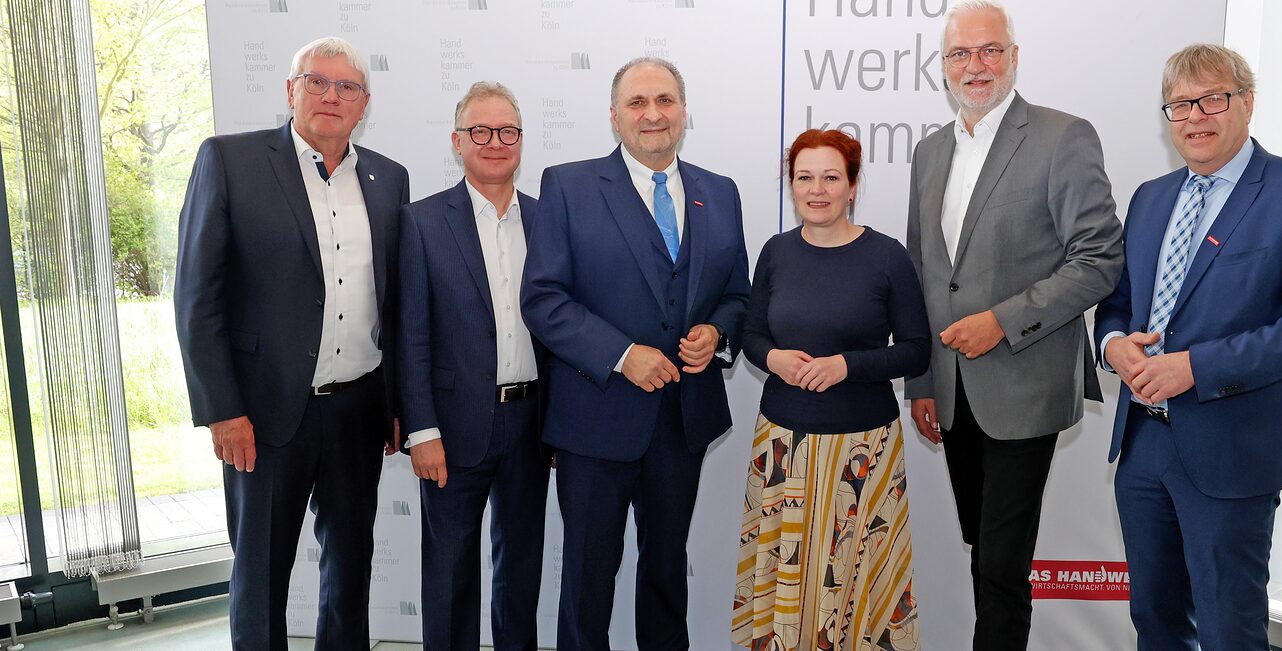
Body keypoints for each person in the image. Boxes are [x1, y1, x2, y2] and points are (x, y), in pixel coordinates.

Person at [1095, 43, 1282, 649]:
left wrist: (1196, 367)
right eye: (1180, 104)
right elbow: (1116, 307)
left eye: (1212, 98)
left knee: (1227, 629)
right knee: (1155, 621)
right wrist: (1115, 347)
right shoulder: (1151, 198)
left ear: (1247, 103)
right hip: (1143, 444)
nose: (1195, 116)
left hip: (1232, 449)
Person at [174, 36, 410, 651]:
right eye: (317, 82)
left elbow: (398, 303)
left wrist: (395, 405)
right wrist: (222, 408)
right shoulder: (230, 161)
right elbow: (198, 300)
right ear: (290, 90)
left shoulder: (389, 180)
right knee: (261, 572)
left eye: (347, 87)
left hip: (359, 409)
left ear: (365, 103)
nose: (332, 96)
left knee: (350, 568)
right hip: (264, 412)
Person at [903, 1, 1124, 648]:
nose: (976, 66)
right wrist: (921, 381)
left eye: (989, 50)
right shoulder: (928, 152)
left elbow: (1100, 258)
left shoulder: (1062, 136)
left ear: (1014, 57)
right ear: (942, 67)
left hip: (1025, 385)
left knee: (1001, 562)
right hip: (950, 392)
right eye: (960, 54)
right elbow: (922, 270)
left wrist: (1000, 322)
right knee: (985, 550)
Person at [519, 57, 751, 651]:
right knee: (588, 583)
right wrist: (623, 355)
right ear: (615, 116)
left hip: (683, 419)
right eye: (638, 103)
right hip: (594, 421)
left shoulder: (719, 193)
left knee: (668, 573)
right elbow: (544, 299)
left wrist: (716, 336)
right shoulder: (568, 186)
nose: (653, 115)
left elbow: (736, 296)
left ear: (684, 111)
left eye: (666, 101)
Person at [732, 129, 930, 651]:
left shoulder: (887, 257)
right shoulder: (775, 252)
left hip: (863, 452)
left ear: (852, 185)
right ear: (790, 185)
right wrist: (772, 357)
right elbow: (751, 336)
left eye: (830, 178)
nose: (816, 190)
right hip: (782, 450)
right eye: (804, 178)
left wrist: (848, 365)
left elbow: (916, 349)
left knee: (856, 588)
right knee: (789, 591)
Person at [397, 81, 552, 651]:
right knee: (449, 572)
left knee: (521, 571)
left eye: (507, 131)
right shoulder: (420, 222)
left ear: (521, 141)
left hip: (532, 423)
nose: (495, 142)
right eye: (480, 131)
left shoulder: (548, 219)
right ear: (458, 141)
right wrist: (422, 430)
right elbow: (410, 334)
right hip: (452, 426)